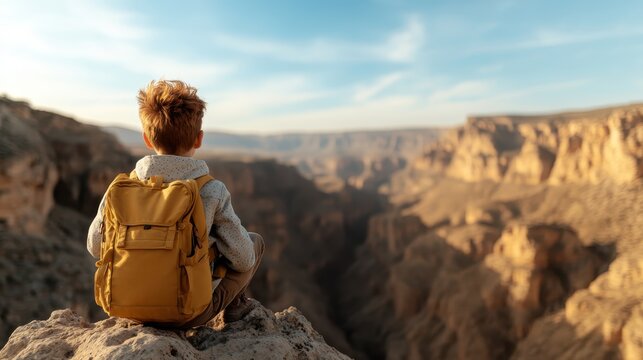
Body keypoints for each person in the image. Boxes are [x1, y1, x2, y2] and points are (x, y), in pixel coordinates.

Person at [86, 79, 264, 327]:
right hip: (186, 314)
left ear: (147, 139)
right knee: (253, 242)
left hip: (126, 310)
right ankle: (235, 310)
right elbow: (243, 259)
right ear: (198, 139)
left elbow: (95, 247)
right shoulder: (211, 190)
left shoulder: (121, 189)